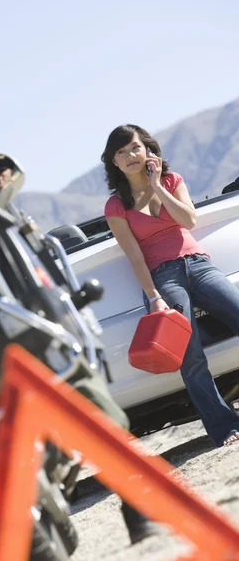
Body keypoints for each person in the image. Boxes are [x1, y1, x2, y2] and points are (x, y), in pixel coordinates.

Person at [102, 124, 239, 448]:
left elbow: (188, 221)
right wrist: (154, 298)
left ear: (148, 150)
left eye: (134, 147)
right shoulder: (116, 206)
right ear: (114, 162)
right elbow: (134, 256)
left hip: (198, 263)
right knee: (190, 356)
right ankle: (224, 427)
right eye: (121, 152)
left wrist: (156, 186)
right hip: (163, 277)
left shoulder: (171, 181)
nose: (129, 155)